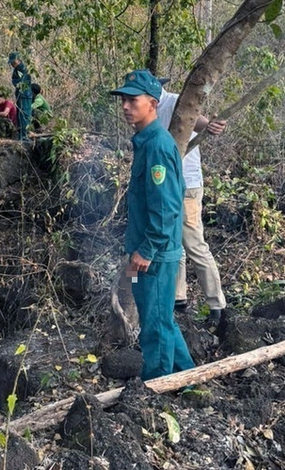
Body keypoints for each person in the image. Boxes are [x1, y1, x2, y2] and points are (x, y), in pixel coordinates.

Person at [111, 69, 195, 381]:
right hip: (140, 253)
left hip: (153, 256)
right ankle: (188, 379)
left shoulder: (158, 146)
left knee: (154, 325)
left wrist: (145, 250)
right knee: (159, 318)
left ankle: (156, 387)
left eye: (132, 100)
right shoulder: (144, 142)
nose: (125, 106)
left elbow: (168, 207)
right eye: (123, 100)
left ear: (153, 104)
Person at [156, 80, 227, 327]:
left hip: (187, 185)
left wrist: (213, 126)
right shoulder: (147, 109)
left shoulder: (176, 101)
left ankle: (217, 306)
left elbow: (205, 125)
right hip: (165, 184)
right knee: (174, 243)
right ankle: (178, 299)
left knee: (194, 244)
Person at [8, 51, 32, 141]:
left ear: (18, 60)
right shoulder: (16, 70)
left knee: (24, 115)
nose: (12, 64)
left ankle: (25, 136)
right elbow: (15, 81)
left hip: (24, 95)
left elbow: (22, 81)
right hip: (20, 94)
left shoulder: (23, 68)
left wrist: (18, 83)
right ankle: (21, 135)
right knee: (19, 115)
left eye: (13, 62)